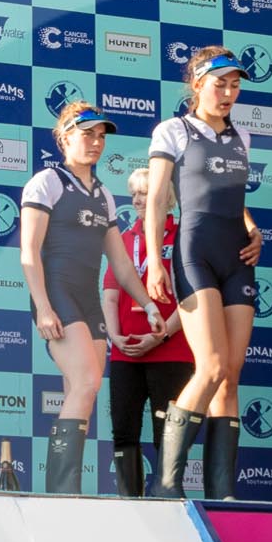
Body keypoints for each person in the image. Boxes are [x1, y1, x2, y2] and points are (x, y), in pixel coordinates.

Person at [21, 103, 163, 493]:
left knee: (78, 388)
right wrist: (43, 306)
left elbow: (119, 261)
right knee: (86, 382)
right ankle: (60, 491)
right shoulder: (46, 181)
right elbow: (29, 252)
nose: (96, 142)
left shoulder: (102, 194)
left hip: (86, 299)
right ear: (65, 137)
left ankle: (69, 495)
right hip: (57, 293)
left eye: (101, 135)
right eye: (87, 134)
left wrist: (149, 304)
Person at [144, 46, 263, 498]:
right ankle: (166, 482)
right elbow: (158, 198)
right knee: (210, 367)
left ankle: (221, 492)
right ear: (197, 84)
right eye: (220, 83)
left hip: (238, 258)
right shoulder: (173, 130)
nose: (229, 92)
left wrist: (253, 231)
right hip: (195, 254)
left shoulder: (242, 137)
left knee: (230, 376)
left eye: (235, 85)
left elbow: (233, 199)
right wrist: (155, 259)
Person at [105, 166, 194, 497]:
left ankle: (166, 497)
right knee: (124, 431)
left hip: (171, 350)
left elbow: (192, 297)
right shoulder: (124, 240)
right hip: (125, 351)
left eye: (144, 192)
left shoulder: (183, 236)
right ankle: (130, 503)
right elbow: (111, 293)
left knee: (165, 431)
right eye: (134, 194)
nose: (137, 199)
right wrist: (114, 336)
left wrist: (160, 336)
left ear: (164, 197)